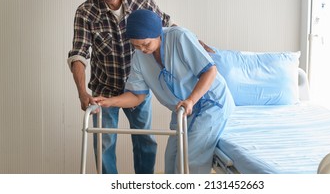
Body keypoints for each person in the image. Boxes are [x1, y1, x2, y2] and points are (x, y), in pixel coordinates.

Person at [67, 0, 174, 174]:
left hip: (138, 88)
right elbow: (78, 54)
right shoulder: (86, 12)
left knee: (145, 142)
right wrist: (81, 92)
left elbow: (168, 28)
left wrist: (198, 45)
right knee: (104, 145)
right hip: (104, 90)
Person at [94, 10, 235, 174]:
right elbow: (137, 95)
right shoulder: (139, 56)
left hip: (210, 104)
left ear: (158, 33)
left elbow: (210, 71)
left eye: (146, 44)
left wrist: (190, 100)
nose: (142, 49)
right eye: (135, 45)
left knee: (190, 161)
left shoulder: (180, 37)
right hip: (182, 110)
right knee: (171, 160)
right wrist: (108, 102)